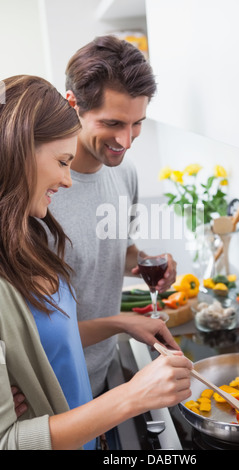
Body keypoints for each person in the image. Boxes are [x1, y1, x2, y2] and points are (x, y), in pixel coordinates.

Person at [0, 75, 192, 450]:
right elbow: (7, 441)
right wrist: (132, 397)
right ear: (17, 151)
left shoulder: (32, 233)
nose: (68, 180)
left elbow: (44, 340)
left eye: (137, 124)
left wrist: (118, 323)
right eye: (61, 161)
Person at [49, 35, 178, 398]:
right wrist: (121, 323)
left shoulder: (124, 173)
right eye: (113, 123)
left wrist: (150, 263)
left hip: (101, 374)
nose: (127, 139)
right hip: (51, 387)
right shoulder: (39, 191)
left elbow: (111, 251)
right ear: (73, 104)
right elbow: (30, 331)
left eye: (137, 123)